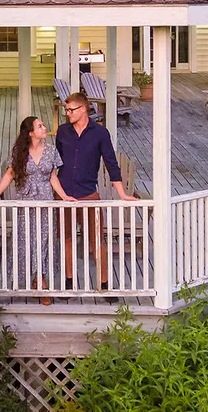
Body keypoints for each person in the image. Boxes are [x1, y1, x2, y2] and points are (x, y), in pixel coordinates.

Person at [0, 116, 75, 305]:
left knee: (45, 242)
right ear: (31, 133)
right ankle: (30, 280)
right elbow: (10, 174)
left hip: (46, 202)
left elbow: (53, 177)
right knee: (26, 241)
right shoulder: (19, 152)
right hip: (26, 203)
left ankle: (42, 283)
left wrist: (64, 197)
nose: (44, 127)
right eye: (40, 126)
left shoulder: (51, 150)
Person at [55, 91, 133, 294]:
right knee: (67, 238)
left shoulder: (100, 133)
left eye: (71, 110)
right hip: (64, 195)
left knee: (97, 239)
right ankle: (69, 282)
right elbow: (57, 162)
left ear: (83, 109)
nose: (68, 113)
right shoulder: (63, 132)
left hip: (88, 194)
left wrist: (122, 194)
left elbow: (111, 163)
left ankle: (105, 284)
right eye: (66, 110)